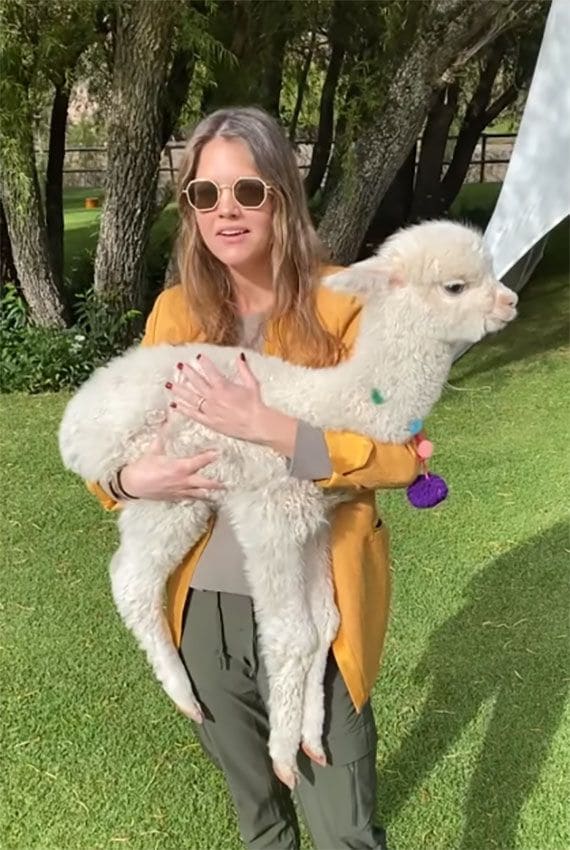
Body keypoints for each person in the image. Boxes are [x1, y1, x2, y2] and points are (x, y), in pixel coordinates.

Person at [88, 106, 420, 850]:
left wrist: (271, 426)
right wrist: (130, 479)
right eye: (205, 195)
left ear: (282, 196)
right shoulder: (176, 312)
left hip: (315, 605)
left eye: (248, 191)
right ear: (189, 211)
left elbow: (402, 453)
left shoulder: (351, 301)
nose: (225, 211)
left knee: (344, 834)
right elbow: (112, 452)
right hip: (201, 612)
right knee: (262, 827)